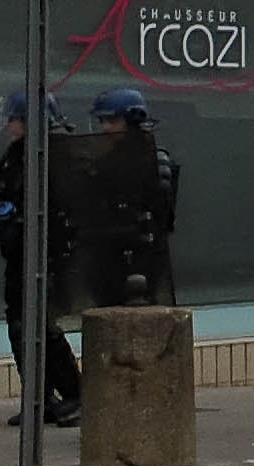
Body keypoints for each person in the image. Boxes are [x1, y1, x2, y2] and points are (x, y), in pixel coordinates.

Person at [0, 90, 81, 428]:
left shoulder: (57, 156)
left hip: (49, 257)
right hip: (18, 255)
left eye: (14, 119)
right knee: (20, 327)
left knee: (41, 325)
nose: (8, 126)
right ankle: (39, 398)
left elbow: (68, 211)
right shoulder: (13, 157)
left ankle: (76, 394)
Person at [73, 86, 180, 310]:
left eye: (112, 121)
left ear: (131, 120)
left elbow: (162, 215)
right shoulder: (102, 162)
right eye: (103, 121)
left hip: (142, 259)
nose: (105, 127)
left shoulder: (155, 160)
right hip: (106, 258)